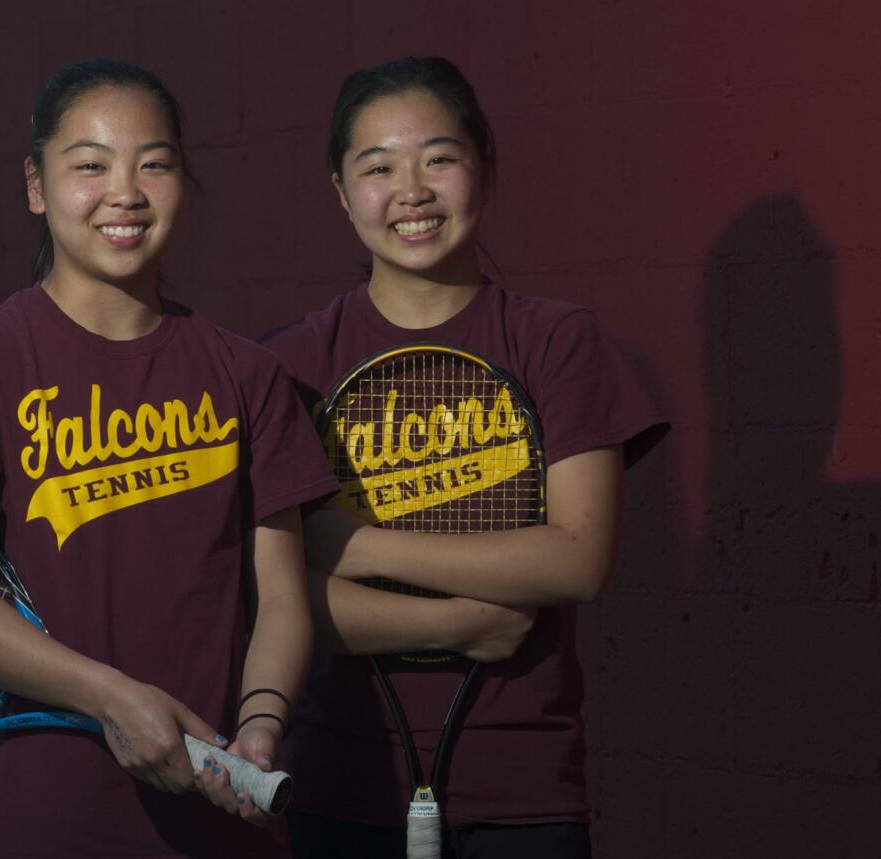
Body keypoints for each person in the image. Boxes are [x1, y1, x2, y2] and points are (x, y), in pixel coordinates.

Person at [0, 58, 336, 859]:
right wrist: (110, 697)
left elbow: (281, 596)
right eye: (90, 164)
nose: (124, 191)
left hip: (222, 816)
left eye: (153, 164)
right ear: (37, 184)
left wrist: (260, 726)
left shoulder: (247, 375)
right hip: (44, 818)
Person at [259, 56, 669, 858]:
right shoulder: (291, 365)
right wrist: (459, 621)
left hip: (525, 793)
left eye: (438, 158)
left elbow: (578, 558)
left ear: (485, 168)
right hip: (342, 788)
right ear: (342, 193)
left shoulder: (556, 339)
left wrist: (355, 543)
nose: (411, 190)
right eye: (377, 167)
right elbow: (278, 597)